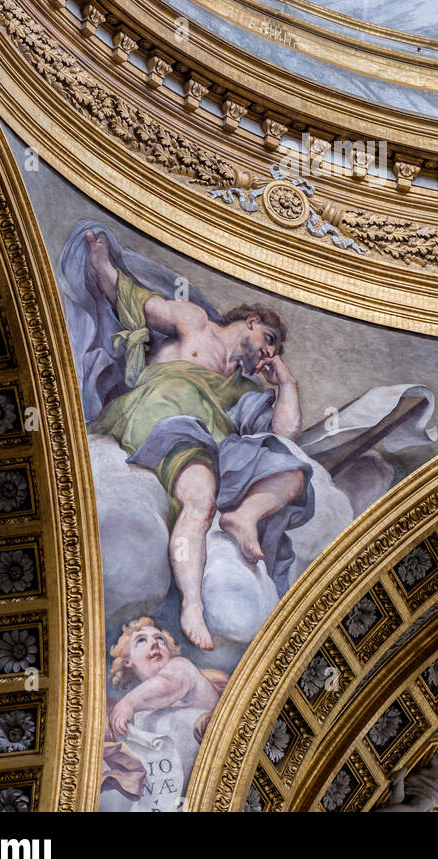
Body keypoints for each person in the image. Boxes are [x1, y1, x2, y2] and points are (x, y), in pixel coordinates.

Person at [85, 231, 312, 650]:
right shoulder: (195, 323)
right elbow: (134, 300)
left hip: (210, 439)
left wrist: (286, 381)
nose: (269, 354)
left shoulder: (244, 389)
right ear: (251, 322)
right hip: (164, 407)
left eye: (274, 352)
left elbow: (286, 436)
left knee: (293, 470)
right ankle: (192, 605)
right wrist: (102, 263)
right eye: (269, 342)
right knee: (201, 498)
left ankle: (243, 516)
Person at [108, 617, 227, 741]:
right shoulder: (138, 714)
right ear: (128, 661)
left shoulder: (181, 667)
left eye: (160, 639)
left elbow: (167, 685)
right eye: (141, 641)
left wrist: (128, 703)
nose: (154, 643)